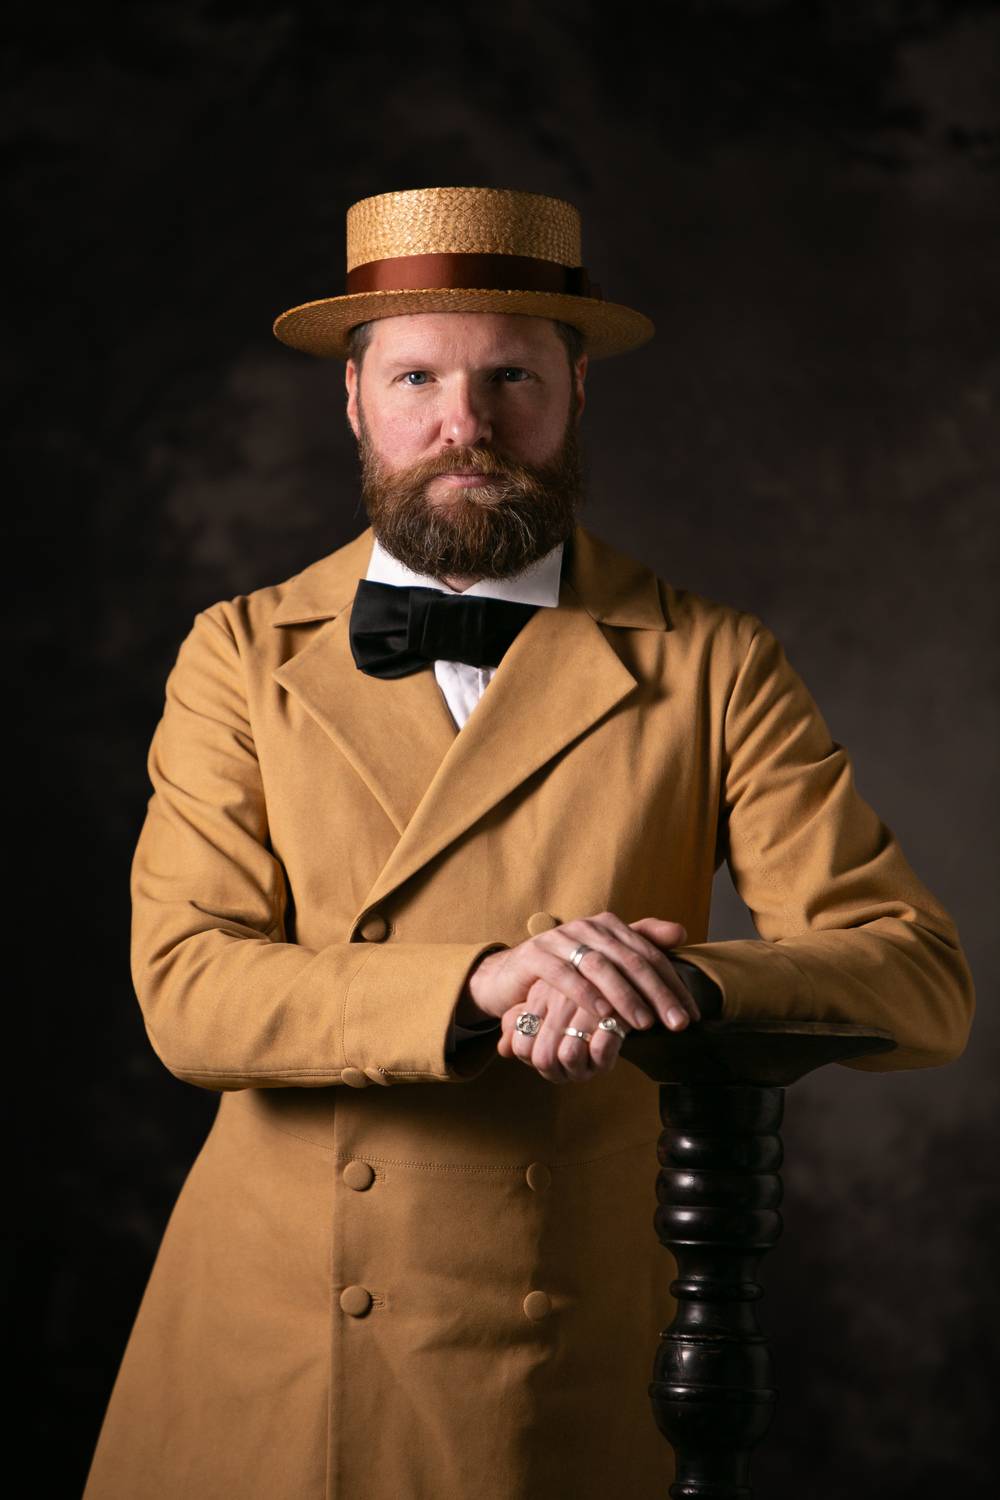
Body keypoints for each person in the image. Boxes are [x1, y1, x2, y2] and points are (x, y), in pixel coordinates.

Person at [83, 186, 975, 1500]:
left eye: (511, 375)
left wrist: (670, 982)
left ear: (575, 392)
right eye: (418, 377)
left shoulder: (714, 661)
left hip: (554, 1355)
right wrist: (487, 981)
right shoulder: (237, 653)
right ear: (353, 398)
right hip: (270, 1348)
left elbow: (917, 979)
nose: (467, 423)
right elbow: (189, 991)